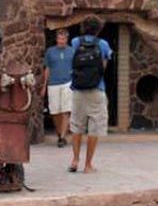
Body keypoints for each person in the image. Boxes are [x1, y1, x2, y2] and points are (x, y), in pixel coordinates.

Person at [68, 17, 112, 174]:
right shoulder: (103, 44)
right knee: (94, 127)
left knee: (76, 126)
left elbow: (70, 63)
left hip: (78, 90)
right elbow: (104, 66)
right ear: (98, 28)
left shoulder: (75, 42)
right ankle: (88, 165)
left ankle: (74, 160)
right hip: (96, 89)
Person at [40, 29, 75, 148]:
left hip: (67, 83)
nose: (61, 41)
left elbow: (76, 68)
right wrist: (44, 85)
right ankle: (59, 133)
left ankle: (62, 137)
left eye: (64, 39)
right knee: (55, 111)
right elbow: (47, 69)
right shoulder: (50, 52)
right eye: (60, 38)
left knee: (66, 110)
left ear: (67, 39)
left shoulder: (72, 51)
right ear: (57, 39)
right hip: (53, 83)